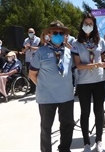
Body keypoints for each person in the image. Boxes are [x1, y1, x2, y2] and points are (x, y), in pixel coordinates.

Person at [28, 20, 75, 152]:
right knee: (46, 128)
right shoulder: (41, 52)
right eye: (55, 32)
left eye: (61, 33)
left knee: (67, 125)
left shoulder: (68, 52)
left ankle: (64, 149)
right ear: (49, 34)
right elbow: (32, 74)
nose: (58, 35)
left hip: (66, 96)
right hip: (46, 98)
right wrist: (43, 86)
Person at [71, 13, 105, 152]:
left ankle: (99, 140)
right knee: (85, 112)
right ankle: (86, 143)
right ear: (82, 25)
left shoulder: (100, 41)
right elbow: (78, 65)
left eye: (90, 24)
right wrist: (93, 65)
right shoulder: (76, 43)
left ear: (94, 26)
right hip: (83, 82)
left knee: (98, 112)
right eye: (85, 24)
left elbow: (104, 59)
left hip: (99, 80)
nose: (88, 26)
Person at [22, 28, 40, 94]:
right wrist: (26, 48)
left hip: (36, 59)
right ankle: (32, 89)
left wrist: (31, 47)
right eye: (29, 32)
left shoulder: (38, 39)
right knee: (30, 75)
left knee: (37, 74)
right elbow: (23, 51)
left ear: (34, 32)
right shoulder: (26, 40)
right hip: (28, 59)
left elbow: (39, 48)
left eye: (32, 32)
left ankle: (37, 88)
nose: (30, 33)